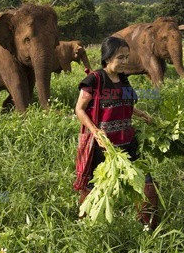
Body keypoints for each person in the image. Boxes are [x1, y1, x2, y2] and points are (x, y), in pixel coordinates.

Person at [74, 36, 159, 231]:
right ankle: (85, 225)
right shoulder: (94, 80)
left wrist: (141, 113)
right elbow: (79, 108)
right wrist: (95, 131)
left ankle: (149, 227)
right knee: (94, 186)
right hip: (103, 147)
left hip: (128, 142)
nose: (125, 62)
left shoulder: (124, 80)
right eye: (121, 57)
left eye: (127, 57)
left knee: (145, 184)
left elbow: (126, 105)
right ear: (107, 57)